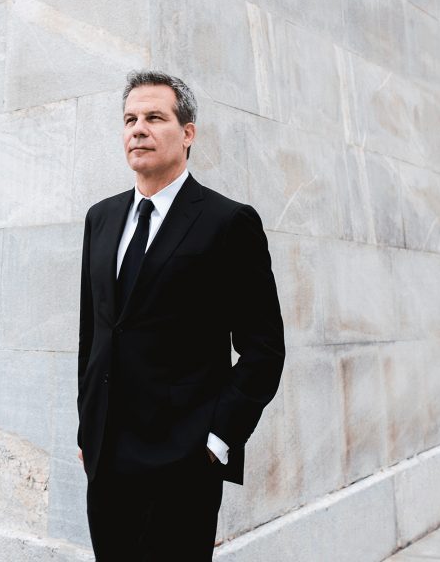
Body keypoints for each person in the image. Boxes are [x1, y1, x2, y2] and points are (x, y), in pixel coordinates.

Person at [76, 70, 286, 560]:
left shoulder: (228, 222)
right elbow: (94, 333)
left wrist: (216, 441)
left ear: (187, 133)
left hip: (183, 462)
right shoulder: (100, 218)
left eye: (154, 117)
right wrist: (87, 424)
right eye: (130, 119)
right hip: (106, 460)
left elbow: (264, 350)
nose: (138, 129)